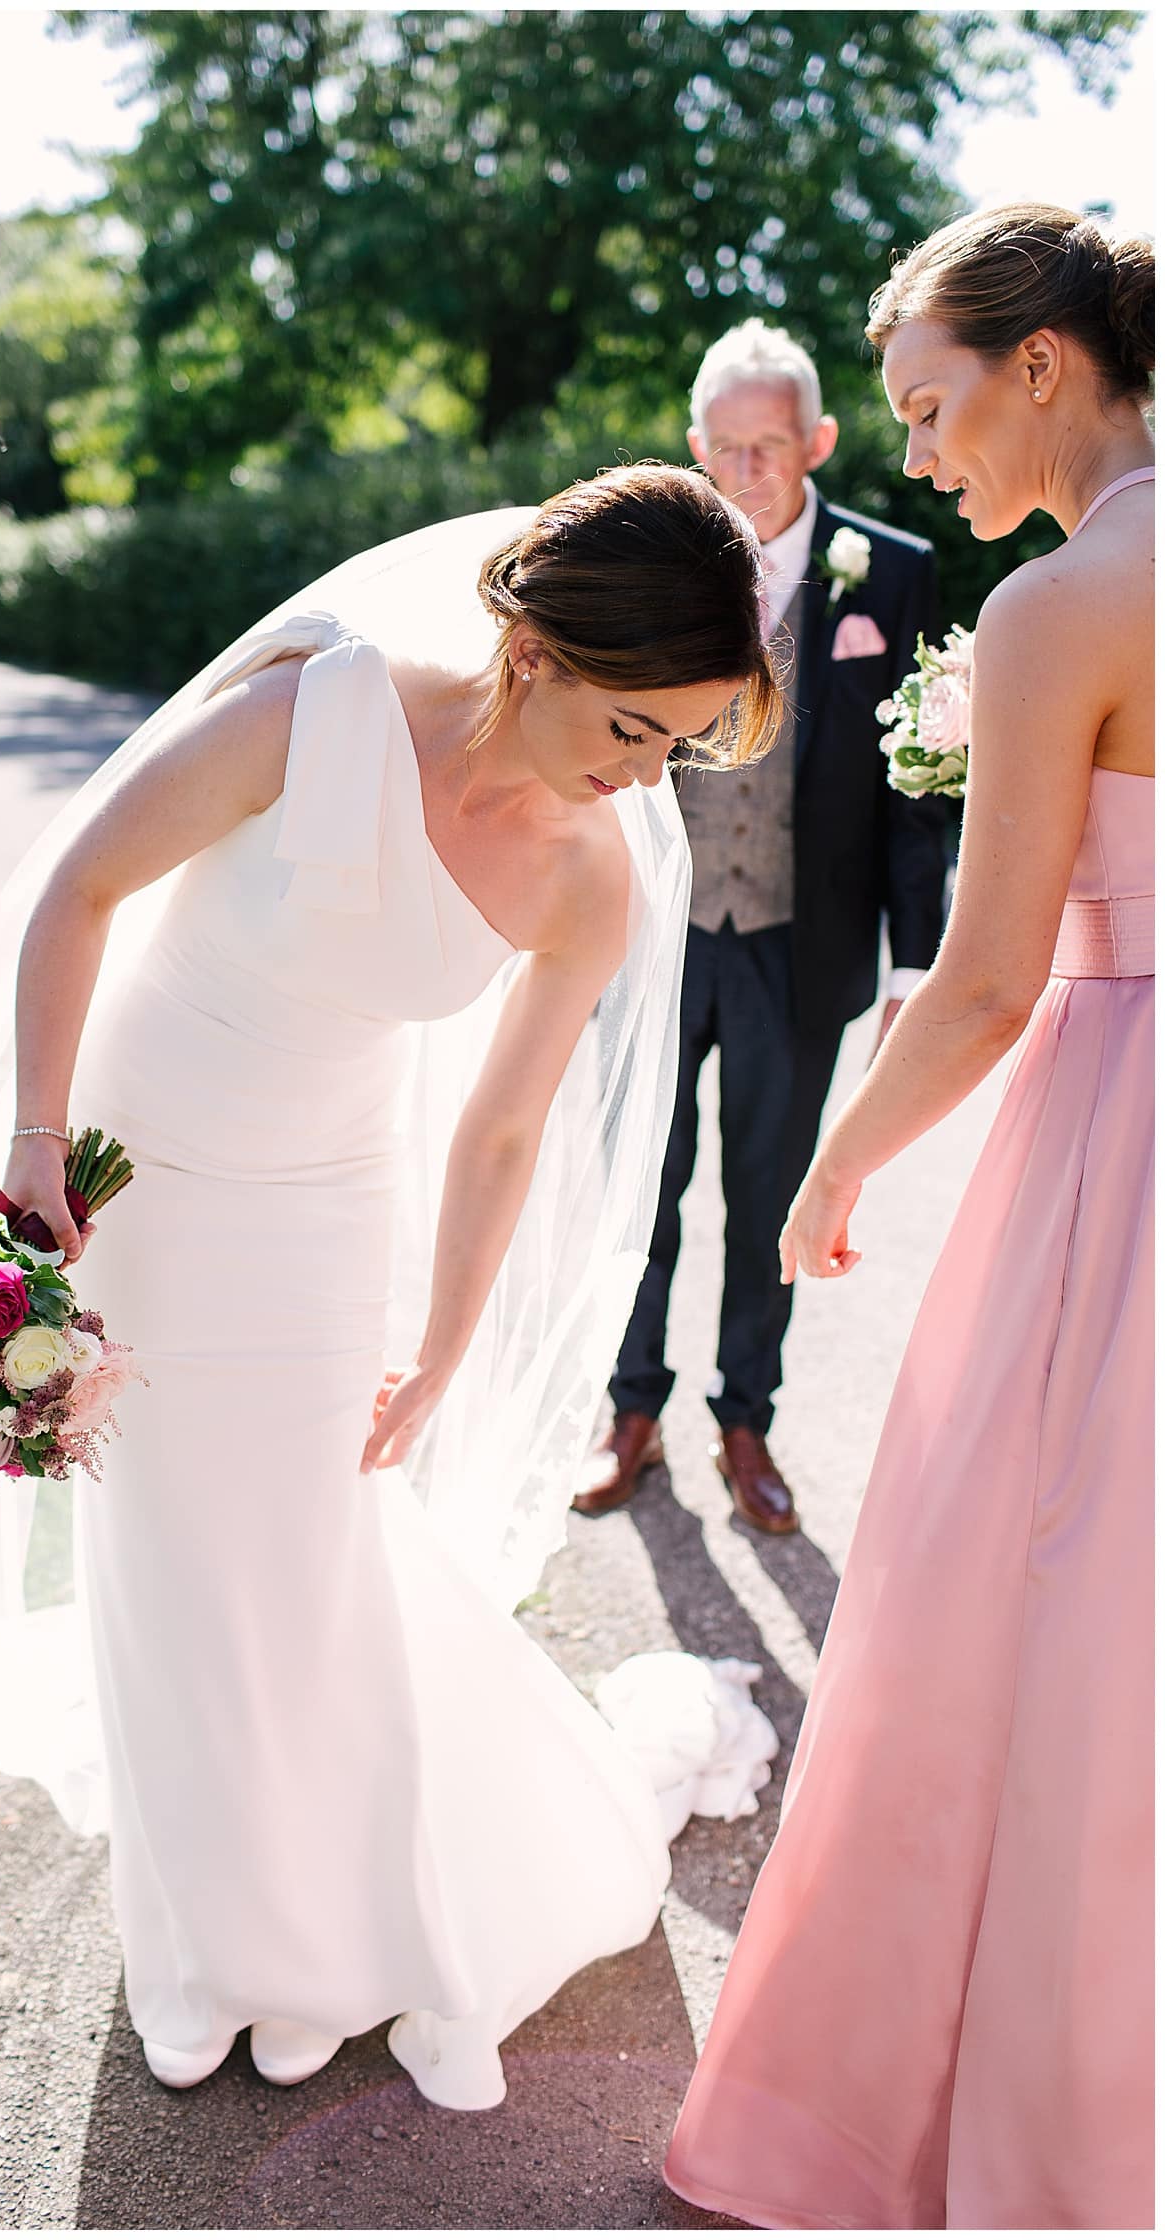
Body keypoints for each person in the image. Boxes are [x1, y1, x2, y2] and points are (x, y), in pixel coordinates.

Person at [0, 464, 784, 2113]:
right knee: (167, 1567)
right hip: (145, 1171)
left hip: (325, 1211)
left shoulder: (588, 881)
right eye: (639, 730)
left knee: (298, 1564)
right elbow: (80, 888)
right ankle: (205, 1950)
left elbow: (497, 1131)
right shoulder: (317, 709)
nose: (645, 778)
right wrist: (36, 1141)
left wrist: (442, 1342)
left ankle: (330, 1934)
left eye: (678, 751)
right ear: (553, 649)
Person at [664, 205, 1153, 2230]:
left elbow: (976, 977)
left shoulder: (1069, 605)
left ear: (1046, 363)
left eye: (937, 407)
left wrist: (837, 1159)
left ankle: (1013, 2130)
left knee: (1023, 1614)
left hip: (1122, 1136)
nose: (927, 458)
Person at [575, 320, 949, 1533]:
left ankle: (749, 1422)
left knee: (771, 1192)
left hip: (806, 939)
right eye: (723, 448)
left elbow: (916, 782)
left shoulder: (888, 573)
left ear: (819, 442)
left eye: (768, 447)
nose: (744, 472)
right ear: (695, 445)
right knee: (641, 1184)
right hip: (656, 938)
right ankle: (630, 1410)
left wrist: (913, 962)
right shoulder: (657, 561)